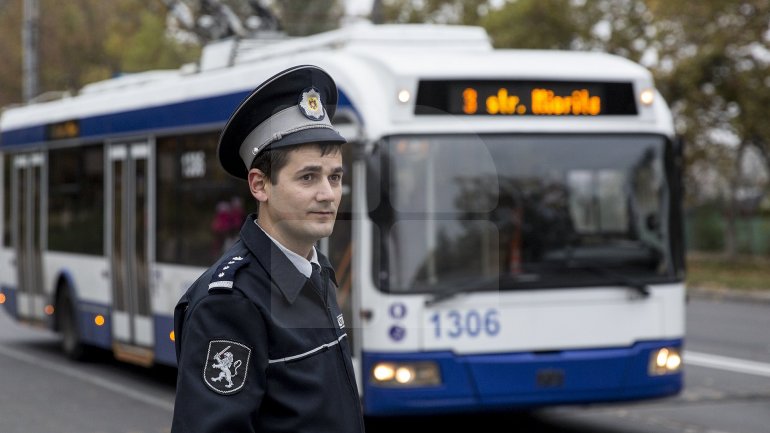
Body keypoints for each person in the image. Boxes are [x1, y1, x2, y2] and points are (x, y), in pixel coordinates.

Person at [171, 65, 365, 433]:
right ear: (260, 185)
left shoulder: (315, 268)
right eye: (308, 177)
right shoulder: (230, 303)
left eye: (335, 177)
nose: (328, 194)